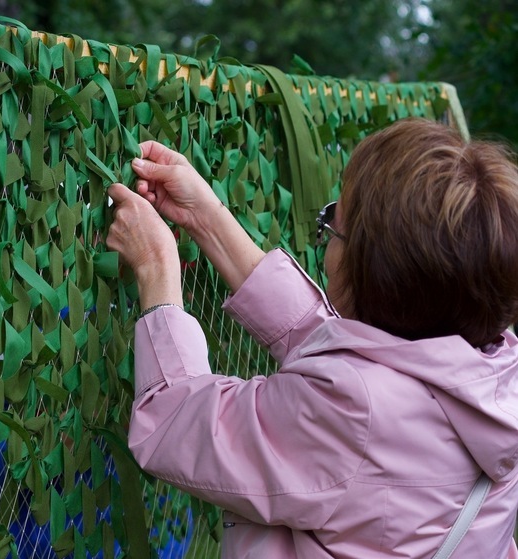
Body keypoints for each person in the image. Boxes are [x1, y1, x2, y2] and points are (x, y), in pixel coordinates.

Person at [105, 117, 518, 558]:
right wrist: (204, 218)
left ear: (373, 273)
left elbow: (174, 422)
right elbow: (354, 355)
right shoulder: (491, 374)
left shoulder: (355, 411)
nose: (327, 238)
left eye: (334, 226)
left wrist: (155, 264)